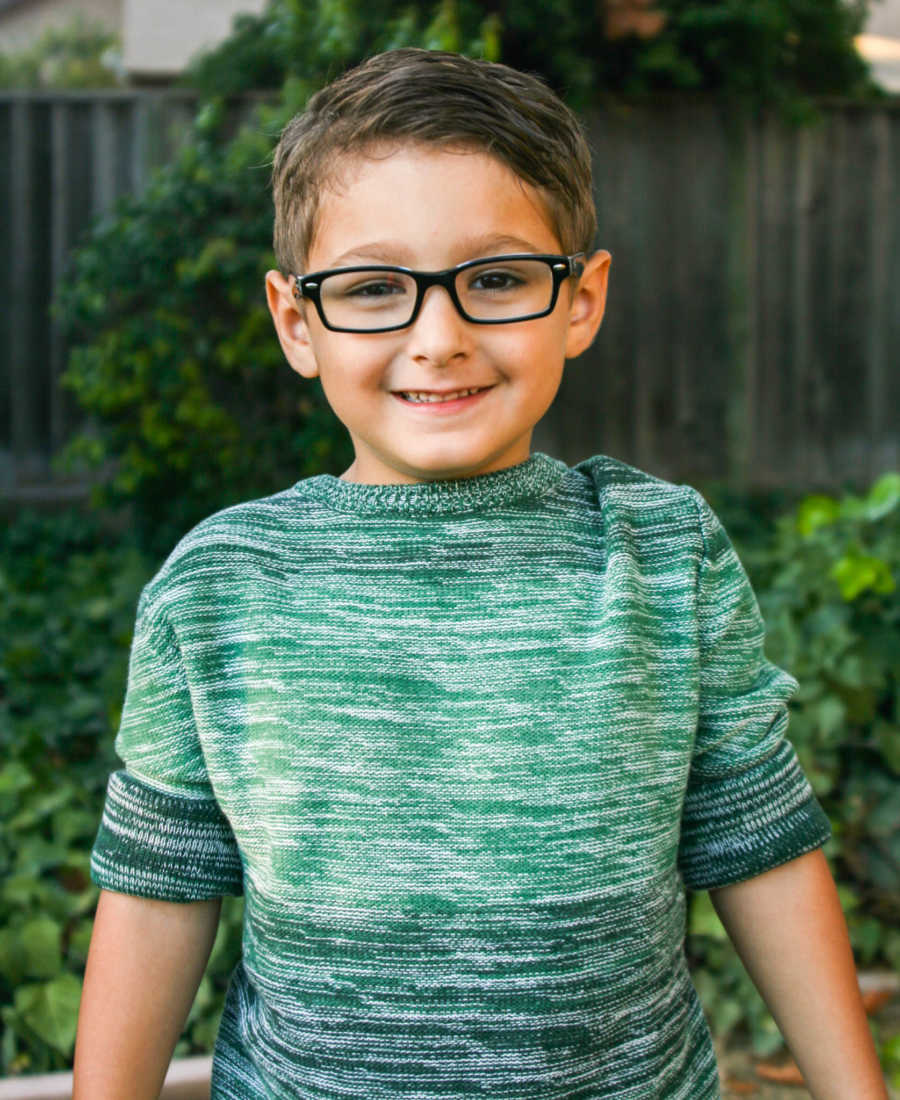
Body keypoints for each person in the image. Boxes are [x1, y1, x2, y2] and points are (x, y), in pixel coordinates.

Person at [73, 49, 888, 1100]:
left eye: (496, 279)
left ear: (581, 299)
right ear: (296, 321)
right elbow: (153, 895)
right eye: (373, 288)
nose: (439, 336)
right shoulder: (222, 586)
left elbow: (762, 846)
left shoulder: (662, 551)